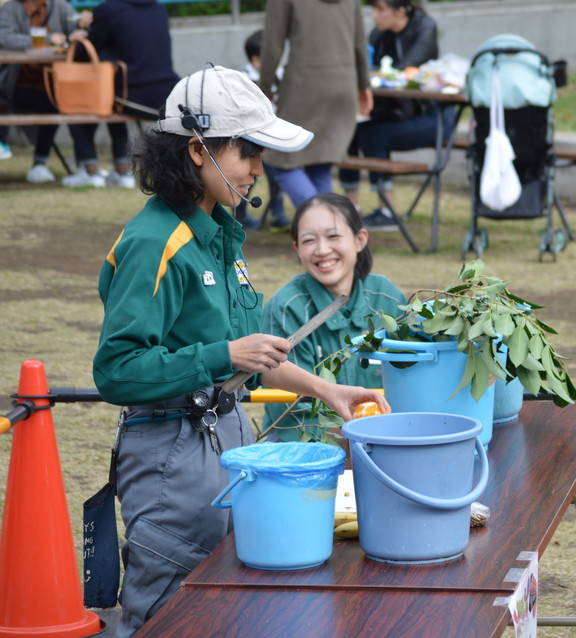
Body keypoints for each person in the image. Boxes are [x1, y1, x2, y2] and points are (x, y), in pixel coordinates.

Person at [92, 66, 389, 637]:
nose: (257, 169)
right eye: (246, 151)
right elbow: (116, 370)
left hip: (229, 438)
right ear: (198, 150)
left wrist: (326, 389)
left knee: (232, 607)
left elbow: (247, 356)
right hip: (170, 457)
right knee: (170, 613)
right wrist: (222, 354)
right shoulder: (156, 240)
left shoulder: (221, 230)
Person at [261, 192, 404, 440]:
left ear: (360, 239)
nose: (322, 250)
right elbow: (293, 417)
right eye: (308, 241)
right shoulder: (286, 308)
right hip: (309, 455)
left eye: (333, 236)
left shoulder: (387, 298)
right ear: (296, 249)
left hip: (387, 444)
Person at [340, 0, 456, 231]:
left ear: (400, 11)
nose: (374, 16)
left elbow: (406, 70)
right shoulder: (379, 34)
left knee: (373, 134)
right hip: (397, 114)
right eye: (373, 9)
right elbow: (362, 66)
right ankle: (350, 207)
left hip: (433, 117)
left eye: (380, 9)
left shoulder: (425, 28)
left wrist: (375, 77)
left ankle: (386, 210)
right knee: (349, 131)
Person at [259, 0, 372, 206]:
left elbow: (272, 44)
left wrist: (264, 87)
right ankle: (330, 229)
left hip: (304, 85)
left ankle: (320, 220)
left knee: (280, 160)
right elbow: (360, 42)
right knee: (320, 163)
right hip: (344, 83)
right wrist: (364, 85)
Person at [61, 0, 179, 188]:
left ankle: (89, 170)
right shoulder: (159, 8)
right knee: (110, 102)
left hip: (131, 94)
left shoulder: (108, 10)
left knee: (78, 102)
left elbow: (85, 52)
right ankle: (122, 170)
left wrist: (78, 34)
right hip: (168, 93)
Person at [0, 0, 91, 183]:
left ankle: (79, 164)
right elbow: (4, 38)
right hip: (15, 85)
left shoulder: (61, 7)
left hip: (55, 82)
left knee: (61, 102)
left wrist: (83, 24)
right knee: (54, 101)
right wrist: (47, 39)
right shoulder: (11, 8)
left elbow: (77, 31)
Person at [233, 28, 289, 230]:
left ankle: (278, 213)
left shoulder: (281, 75)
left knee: (278, 177)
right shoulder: (241, 79)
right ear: (256, 59)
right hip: (249, 139)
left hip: (275, 137)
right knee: (247, 178)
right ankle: (239, 215)